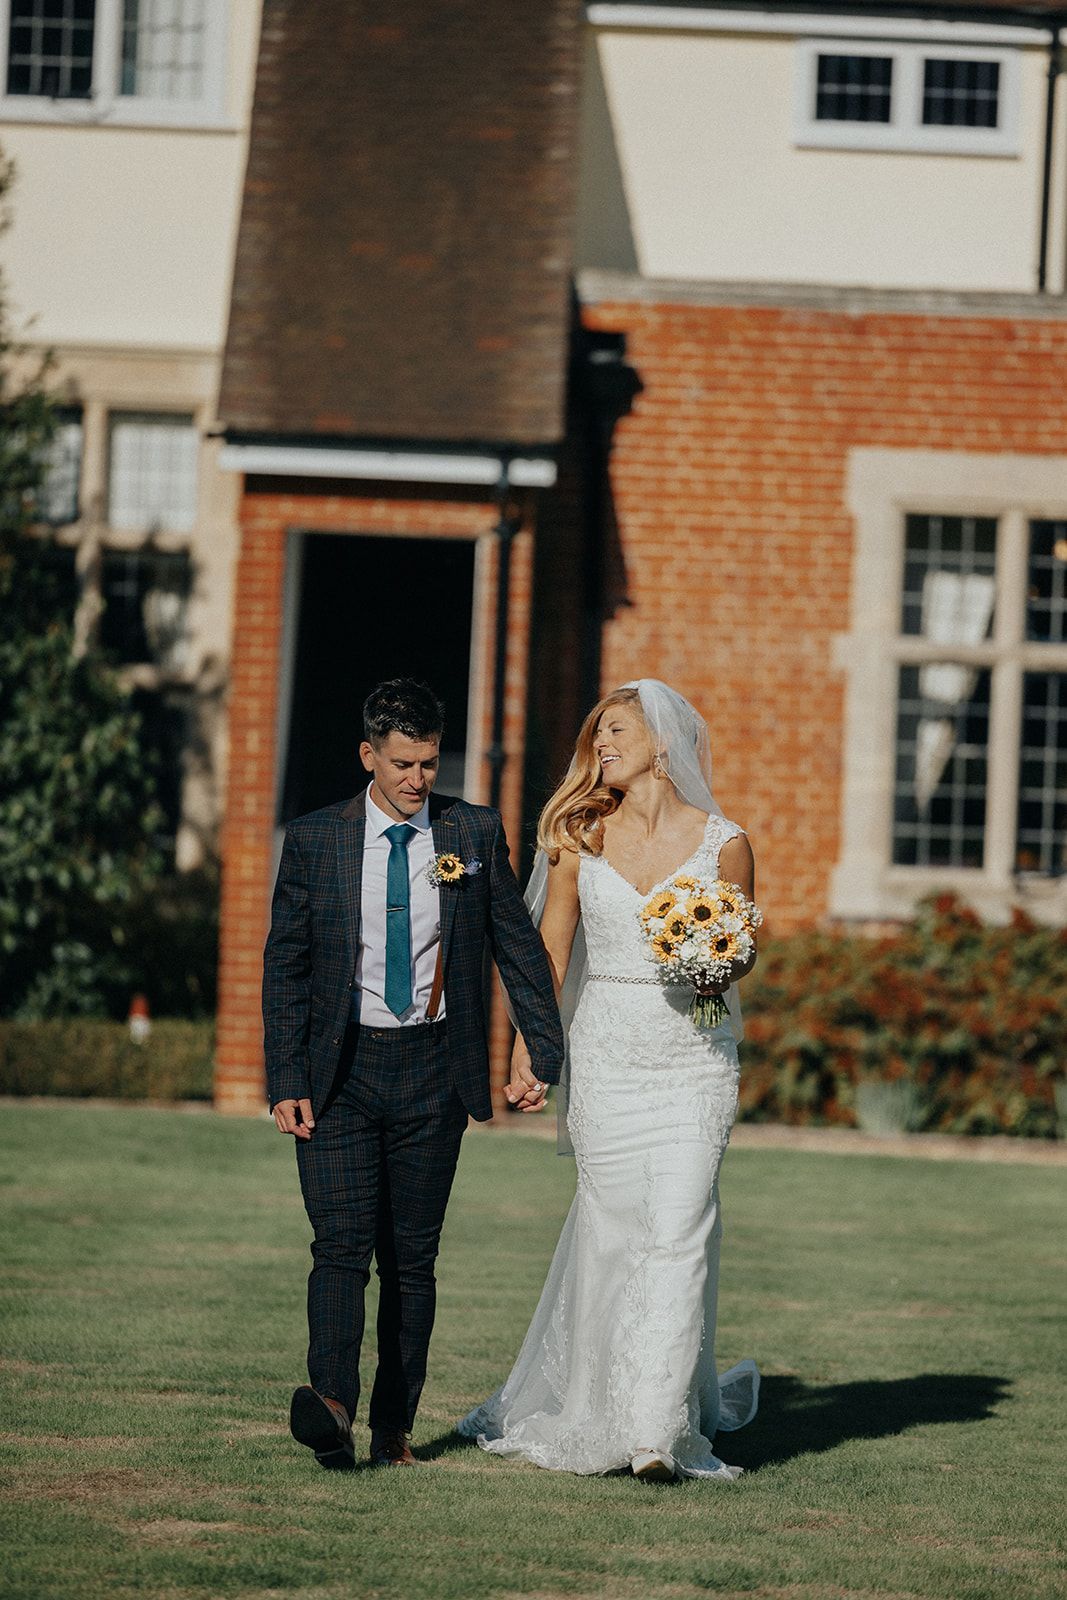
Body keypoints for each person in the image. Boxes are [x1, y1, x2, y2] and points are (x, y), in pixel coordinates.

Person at [459, 679, 760, 1481]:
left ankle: (655, 1435)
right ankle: (599, 1410)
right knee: (614, 1231)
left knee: (678, 1230)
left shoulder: (724, 843)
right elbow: (550, 954)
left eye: (616, 731)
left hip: (695, 1060)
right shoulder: (579, 837)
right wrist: (533, 1047)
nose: (602, 746)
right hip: (606, 1055)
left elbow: (741, 946)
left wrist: (715, 963)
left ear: (664, 744)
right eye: (597, 735)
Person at [264, 677, 563, 1469]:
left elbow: (517, 946)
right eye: (401, 763)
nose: (416, 779)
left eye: (428, 763)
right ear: (369, 755)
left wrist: (543, 1049)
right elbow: (284, 964)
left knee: (410, 1260)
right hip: (338, 1073)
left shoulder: (469, 831)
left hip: (433, 1072)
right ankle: (330, 1407)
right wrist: (284, 1074)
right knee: (339, 1246)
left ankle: (393, 1427)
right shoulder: (316, 838)